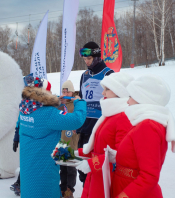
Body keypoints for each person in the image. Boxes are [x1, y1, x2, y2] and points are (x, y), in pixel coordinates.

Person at [107, 75, 175, 198]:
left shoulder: (148, 126)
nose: (127, 101)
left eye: (131, 96)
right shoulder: (145, 123)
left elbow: (149, 175)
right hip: (127, 187)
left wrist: (125, 195)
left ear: (142, 98)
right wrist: (118, 157)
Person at [19, 74, 87, 198]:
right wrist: (80, 102)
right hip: (44, 173)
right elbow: (76, 120)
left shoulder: (24, 109)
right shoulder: (49, 114)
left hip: (28, 171)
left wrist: (55, 102)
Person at [74, 72, 134, 198]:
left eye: (107, 89)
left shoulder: (123, 117)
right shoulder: (109, 115)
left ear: (119, 92)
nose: (103, 93)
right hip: (98, 174)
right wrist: (76, 153)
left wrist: (92, 164)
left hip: (108, 178)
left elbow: (120, 155)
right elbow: (99, 148)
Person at [77, 41, 114, 185]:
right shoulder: (84, 75)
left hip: (100, 127)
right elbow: (81, 98)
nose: (86, 62)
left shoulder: (108, 74)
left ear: (97, 57)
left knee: (96, 169)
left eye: (89, 59)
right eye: (85, 59)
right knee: (83, 171)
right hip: (85, 126)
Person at [58, 80, 80, 198]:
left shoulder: (76, 103)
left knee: (70, 167)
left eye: (68, 91)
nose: (65, 93)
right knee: (63, 167)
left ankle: (69, 189)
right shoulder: (61, 104)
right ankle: (62, 187)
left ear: (72, 92)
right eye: (63, 90)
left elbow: (80, 117)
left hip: (72, 140)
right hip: (62, 140)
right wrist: (59, 102)